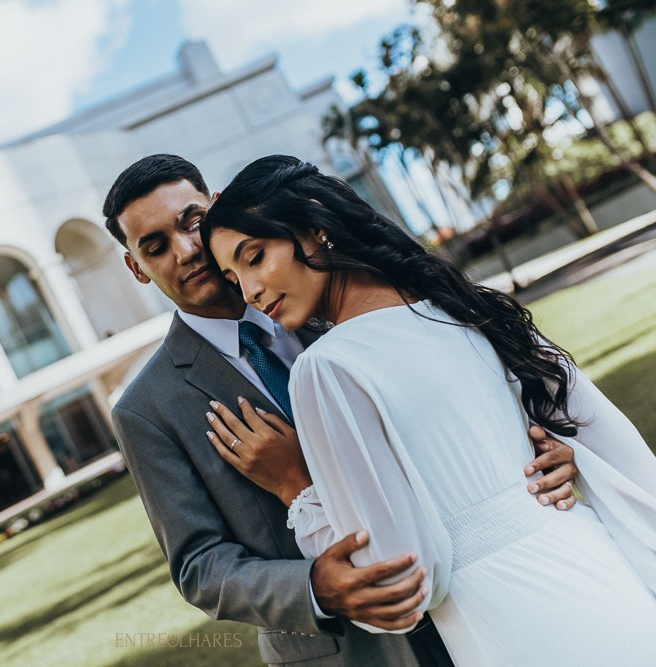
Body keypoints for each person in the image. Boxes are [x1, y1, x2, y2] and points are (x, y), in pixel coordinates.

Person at [103, 154, 581, 666]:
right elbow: (199, 565)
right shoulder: (147, 408)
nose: (186, 250)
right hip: (346, 652)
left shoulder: (337, 304)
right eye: (155, 247)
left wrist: (539, 445)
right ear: (138, 268)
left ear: (216, 206)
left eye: (192, 222)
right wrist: (314, 588)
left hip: (476, 599)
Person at [200, 154, 656, 664]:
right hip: (609, 581)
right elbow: (594, 435)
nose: (249, 291)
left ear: (315, 230)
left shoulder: (327, 369)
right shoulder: (462, 307)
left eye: (254, 257)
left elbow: (403, 583)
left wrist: (298, 489)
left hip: (520, 628)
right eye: (233, 279)